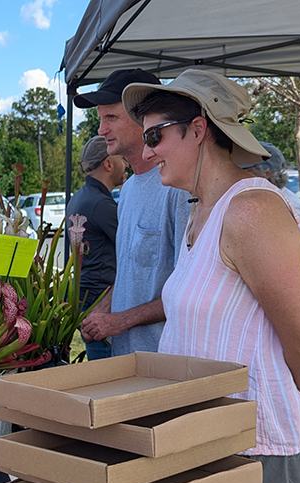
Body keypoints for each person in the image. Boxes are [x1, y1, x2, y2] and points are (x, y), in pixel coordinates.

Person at [123, 68, 300, 483]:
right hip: (214, 440)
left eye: (155, 135)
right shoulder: (202, 213)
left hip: (256, 445)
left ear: (198, 130)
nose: (147, 150)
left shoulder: (250, 211)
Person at [76, 69, 192, 355]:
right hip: (129, 360)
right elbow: (132, 270)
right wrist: (105, 307)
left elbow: (189, 289)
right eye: (100, 119)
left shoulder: (177, 188)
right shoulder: (127, 191)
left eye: (111, 118)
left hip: (165, 364)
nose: (101, 130)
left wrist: (119, 321)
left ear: (146, 120)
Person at [244, 142, 300, 307]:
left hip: (288, 306)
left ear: (267, 173)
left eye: (247, 170)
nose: (239, 176)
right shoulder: (252, 201)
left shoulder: (288, 204)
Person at [65, 135, 123, 361]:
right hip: (102, 299)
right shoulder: (101, 204)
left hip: (86, 294)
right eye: (121, 159)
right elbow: (132, 247)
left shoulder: (78, 198)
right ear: (108, 164)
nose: (125, 164)